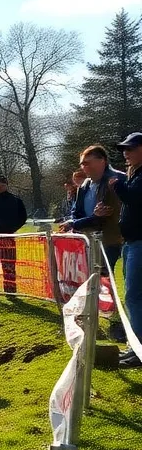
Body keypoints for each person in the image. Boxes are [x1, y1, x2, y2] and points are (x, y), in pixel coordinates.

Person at [63, 145, 126, 274]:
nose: (83, 167)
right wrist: (75, 222)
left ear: (102, 161)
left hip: (109, 240)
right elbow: (76, 212)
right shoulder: (84, 185)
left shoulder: (116, 180)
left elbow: (104, 216)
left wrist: (74, 223)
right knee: (88, 277)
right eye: (82, 164)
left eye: (87, 163)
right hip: (86, 240)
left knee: (103, 277)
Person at [111, 132, 142, 367]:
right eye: (124, 149)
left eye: (130, 148)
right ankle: (135, 345)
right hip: (131, 243)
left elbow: (135, 199)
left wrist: (119, 185)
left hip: (140, 243)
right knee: (133, 295)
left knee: (134, 296)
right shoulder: (135, 175)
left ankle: (138, 348)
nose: (126, 153)